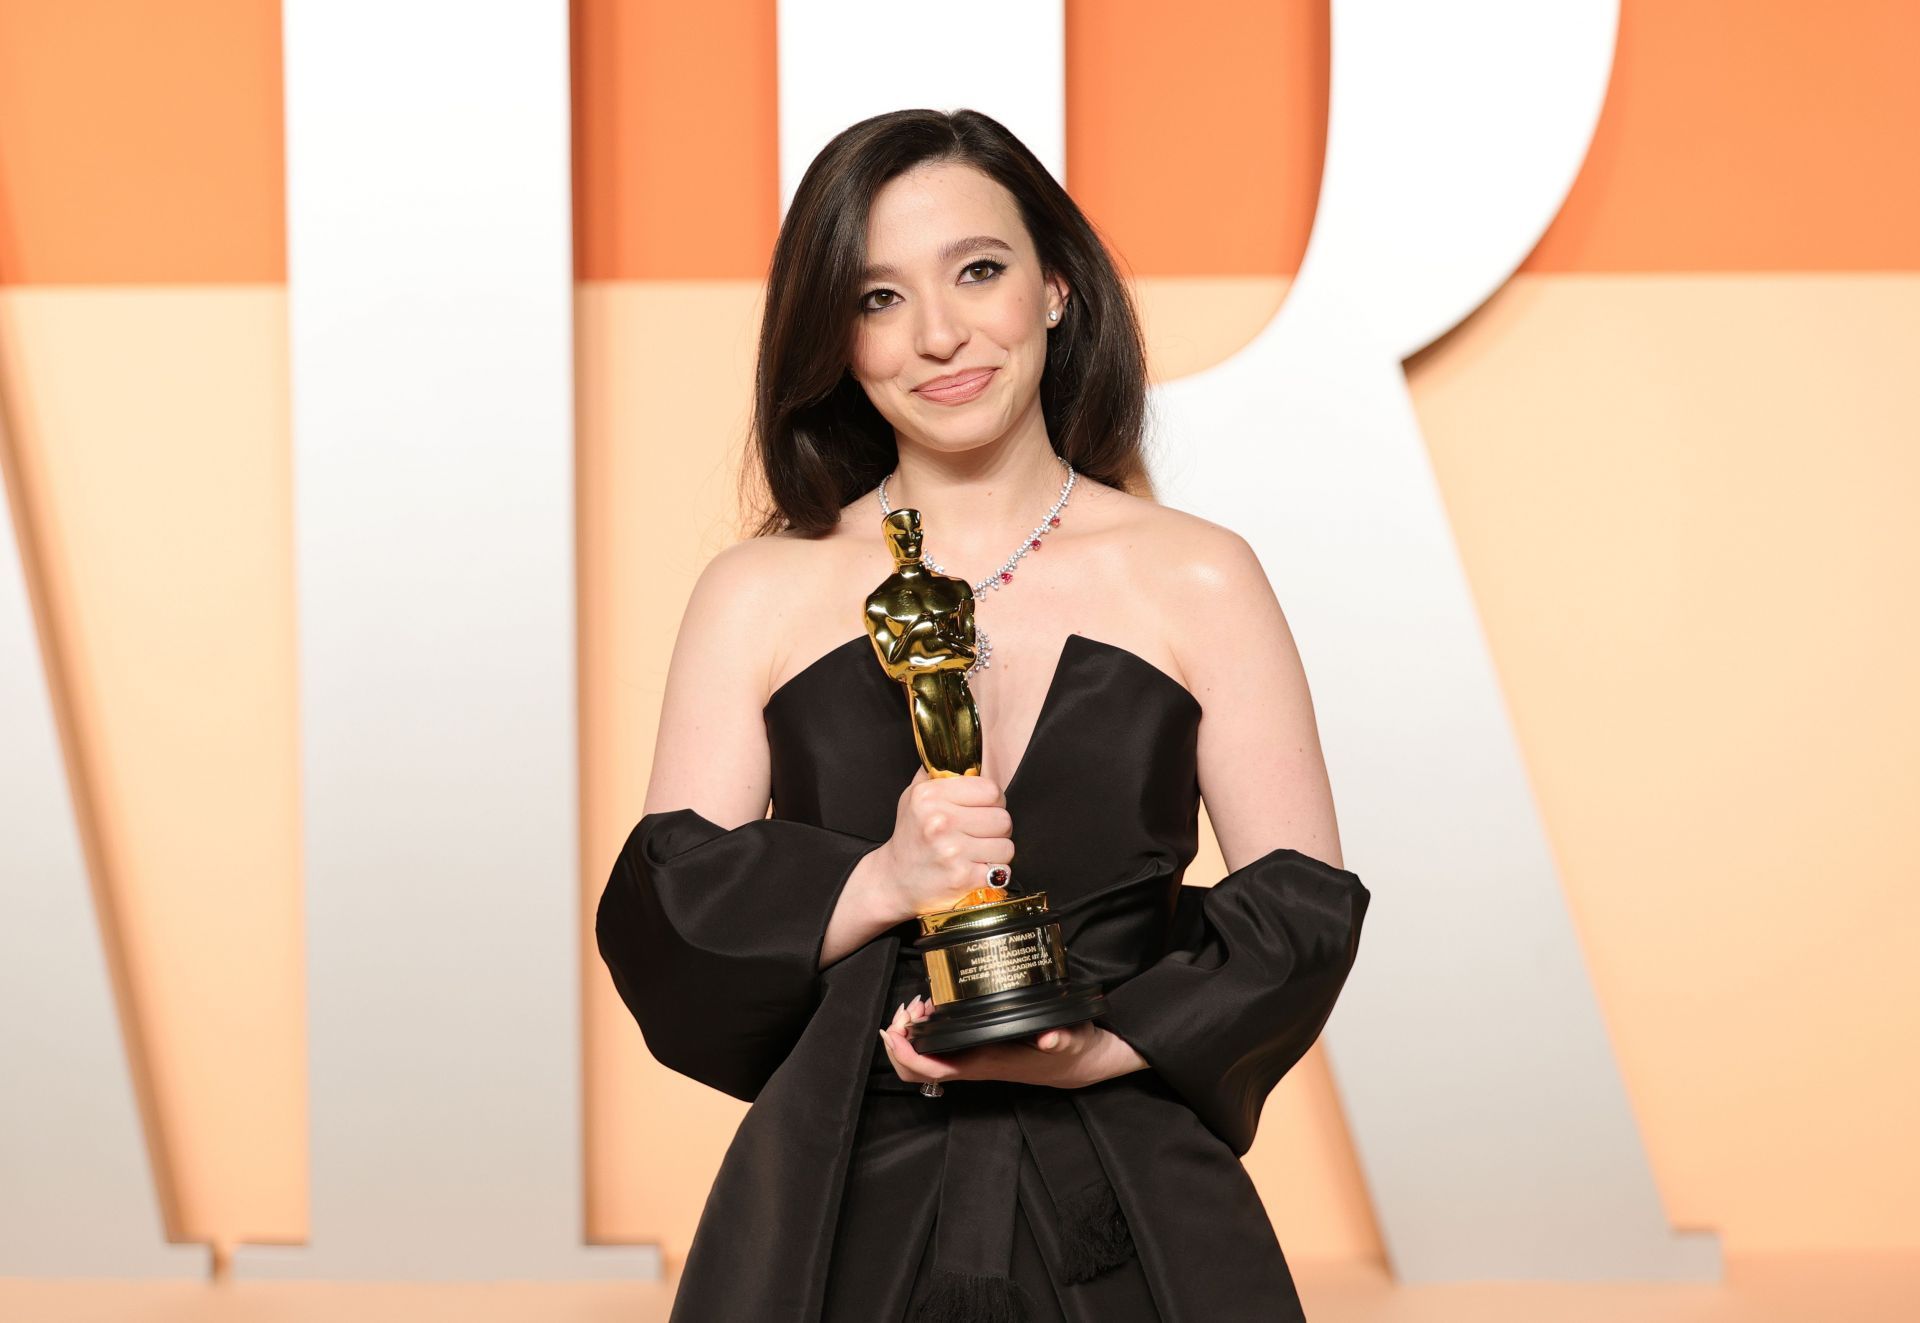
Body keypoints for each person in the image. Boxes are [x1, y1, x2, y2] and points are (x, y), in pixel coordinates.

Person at [595, 107, 1371, 1322]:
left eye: (978, 270)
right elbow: (666, 914)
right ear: (835, 340)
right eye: (878, 298)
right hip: (836, 1205)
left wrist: (1104, 1046)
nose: (939, 334)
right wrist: (880, 881)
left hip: (1138, 1206)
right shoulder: (758, 592)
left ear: (1056, 288)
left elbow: (1301, 904)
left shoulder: (1199, 575)